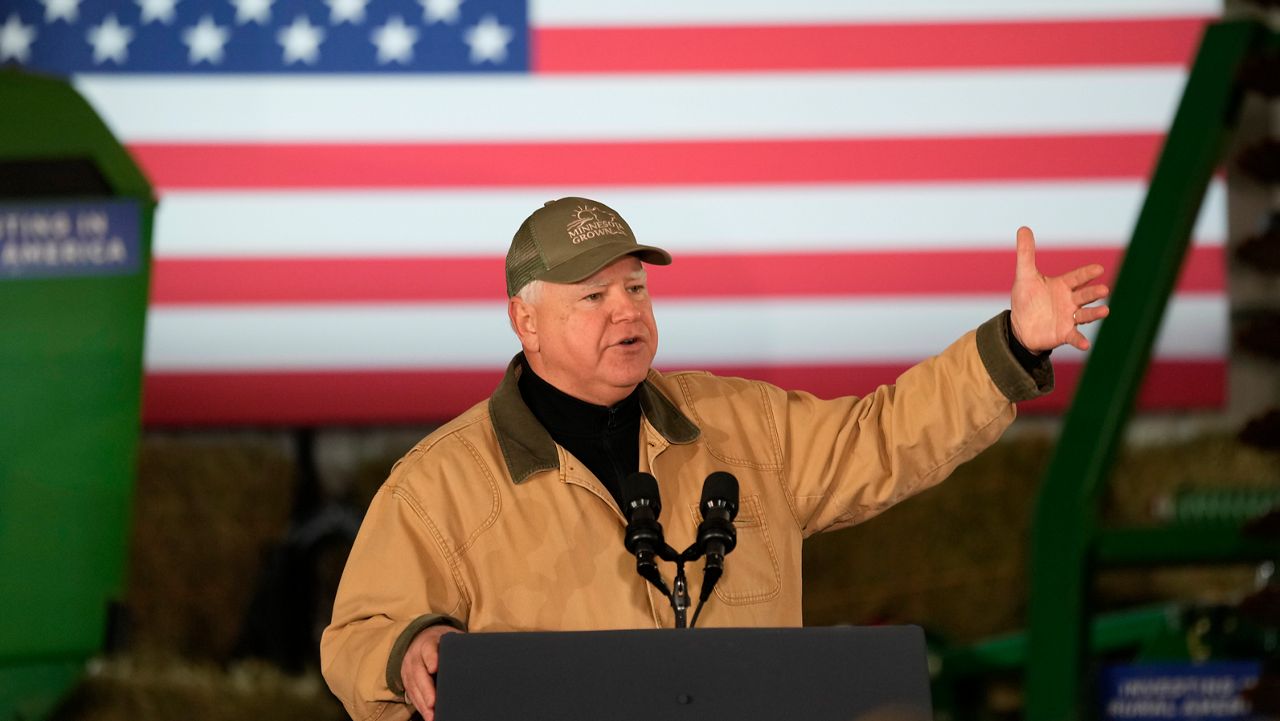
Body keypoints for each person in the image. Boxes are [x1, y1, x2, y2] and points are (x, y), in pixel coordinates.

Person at [320, 197, 1109, 721]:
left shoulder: (743, 424)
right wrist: (407, 646)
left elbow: (884, 437)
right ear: (524, 321)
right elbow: (358, 632)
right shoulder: (441, 482)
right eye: (593, 297)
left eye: (636, 287)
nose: (627, 308)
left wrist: (1009, 346)